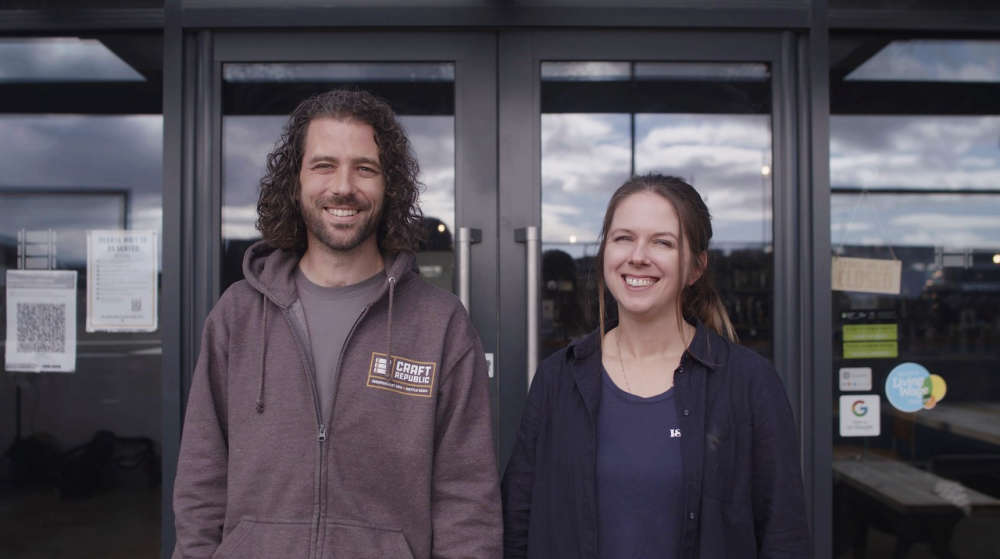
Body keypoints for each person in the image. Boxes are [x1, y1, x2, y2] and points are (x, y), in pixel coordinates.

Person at [172, 89, 501, 559]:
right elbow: (200, 481)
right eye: (324, 165)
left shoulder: (440, 325)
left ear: (390, 187)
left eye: (365, 168)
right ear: (296, 180)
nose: (343, 186)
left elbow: (467, 500)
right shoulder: (237, 315)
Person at [501, 174, 810, 559]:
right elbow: (517, 524)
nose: (638, 256)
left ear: (695, 268)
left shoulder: (749, 384)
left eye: (662, 242)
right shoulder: (558, 378)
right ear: (606, 254)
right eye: (623, 238)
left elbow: (784, 537)